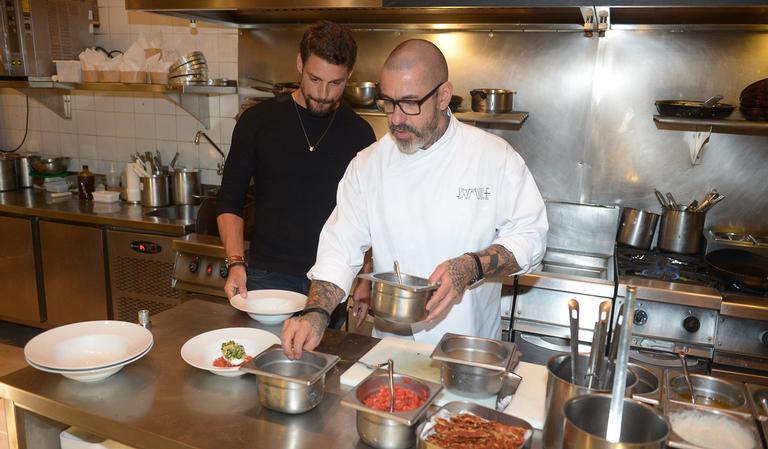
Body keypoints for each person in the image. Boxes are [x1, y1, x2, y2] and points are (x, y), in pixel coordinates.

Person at [281, 38, 548, 358]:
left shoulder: (492, 157)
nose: (395, 118)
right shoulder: (369, 165)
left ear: (443, 96)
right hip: (392, 351)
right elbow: (339, 248)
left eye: (409, 102)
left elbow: (530, 237)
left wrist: (470, 266)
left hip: (468, 352)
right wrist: (317, 313)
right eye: (388, 102)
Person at [216, 20, 376, 328]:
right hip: (268, 277)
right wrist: (236, 262)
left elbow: (368, 217)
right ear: (300, 63)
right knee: (267, 362)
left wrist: (364, 279)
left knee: (323, 367)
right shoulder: (257, 122)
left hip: (332, 279)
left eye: (336, 83)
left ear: (350, 75)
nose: (324, 94)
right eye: (315, 79)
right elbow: (229, 201)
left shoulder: (360, 134)